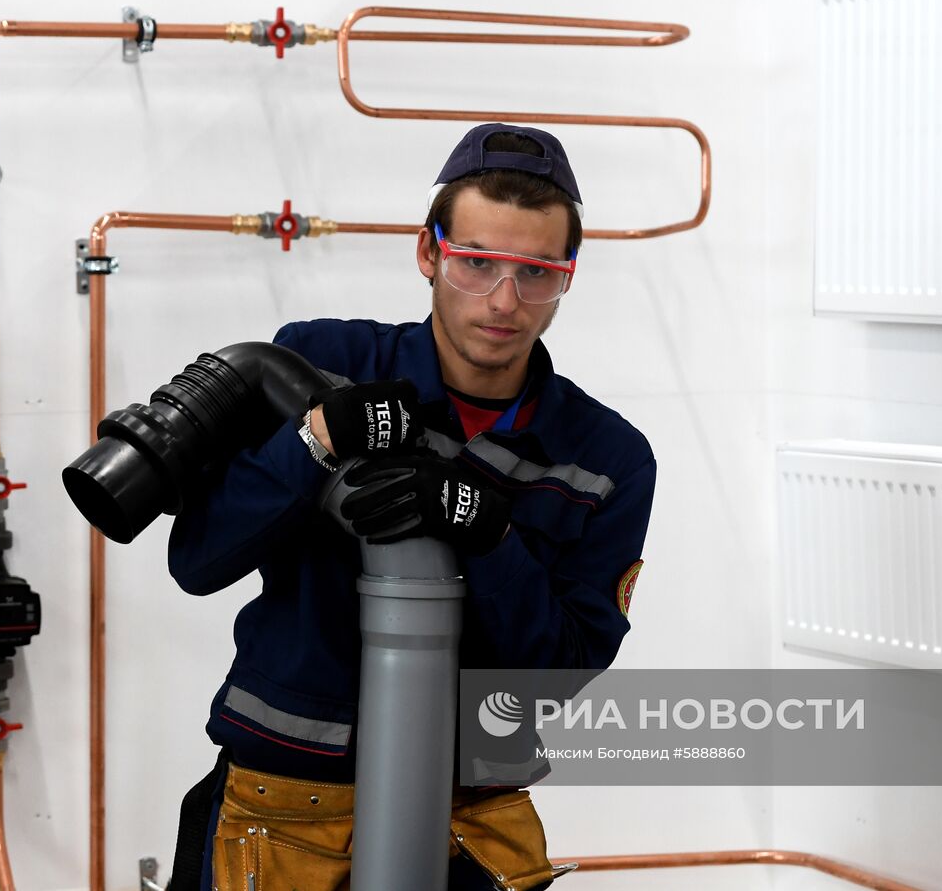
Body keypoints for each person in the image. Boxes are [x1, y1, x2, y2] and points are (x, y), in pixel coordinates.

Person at [165, 123, 657, 891]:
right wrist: (317, 440)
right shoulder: (323, 366)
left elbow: (559, 675)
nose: (504, 301)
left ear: (568, 275)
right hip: (282, 814)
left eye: (536, 273)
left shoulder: (604, 458)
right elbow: (197, 558)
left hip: (471, 824)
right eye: (476, 262)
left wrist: (487, 532)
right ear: (428, 253)